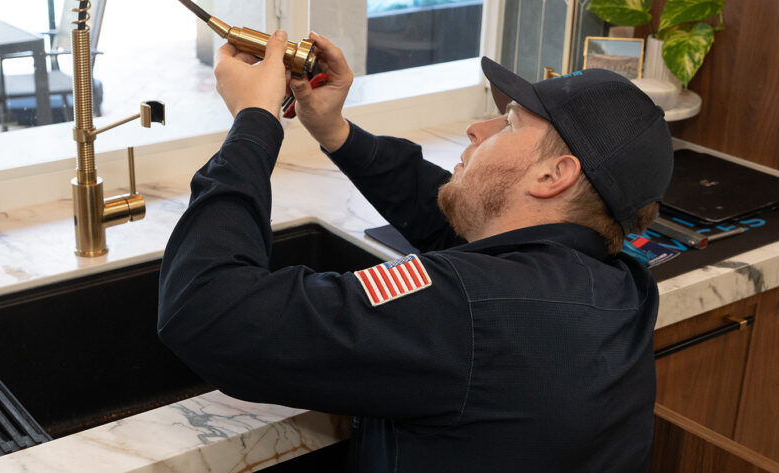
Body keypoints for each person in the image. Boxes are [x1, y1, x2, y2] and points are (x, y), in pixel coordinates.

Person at [158, 29, 673, 472]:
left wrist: (254, 123)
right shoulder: (623, 284)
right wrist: (334, 131)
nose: (478, 127)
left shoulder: (462, 309)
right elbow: (459, 220)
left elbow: (207, 309)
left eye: (511, 122)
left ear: (553, 175)